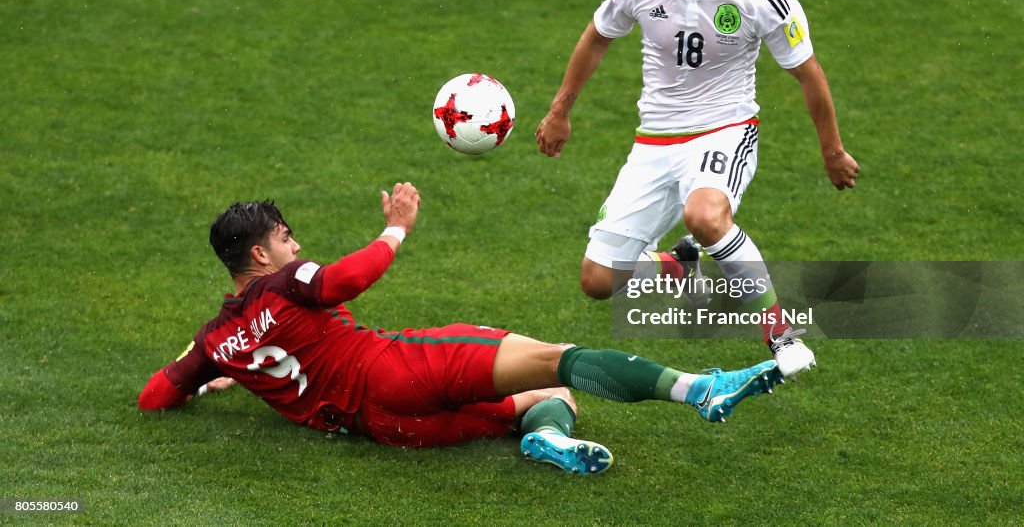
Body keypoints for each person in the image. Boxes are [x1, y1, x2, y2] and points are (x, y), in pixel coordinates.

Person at [139, 183, 786, 475]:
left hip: (384, 430)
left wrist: (204, 383)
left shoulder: (211, 341)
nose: (295, 242)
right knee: (559, 360)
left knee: (550, 401)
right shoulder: (283, 282)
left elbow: (154, 397)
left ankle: (548, 444)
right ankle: (701, 389)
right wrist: (397, 226)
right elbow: (341, 282)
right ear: (259, 255)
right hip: (395, 370)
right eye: (284, 237)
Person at [535, 0, 860, 378]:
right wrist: (560, 111)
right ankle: (677, 265)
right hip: (653, 142)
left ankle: (780, 332)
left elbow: (808, 73)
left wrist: (832, 151)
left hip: (723, 129)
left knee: (705, 216)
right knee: (598, 281)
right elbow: (597, 37)